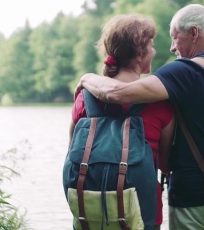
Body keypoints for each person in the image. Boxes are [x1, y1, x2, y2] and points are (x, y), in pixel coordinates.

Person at [75, 4, 204, 230]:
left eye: (175, 38)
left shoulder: (183, 71)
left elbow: (116, 93)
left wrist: (87, 78)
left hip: (194, 199)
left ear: (194, 33)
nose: (172, 48)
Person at [69, 13, 175, 230]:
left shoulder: (85, 97)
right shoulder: (161, 103)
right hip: (141, 214)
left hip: (90, 212)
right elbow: (165, 164)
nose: (154, 51)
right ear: (139, 53)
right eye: (152, 46)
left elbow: (72, 149)